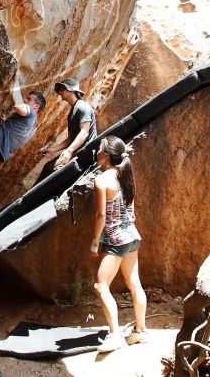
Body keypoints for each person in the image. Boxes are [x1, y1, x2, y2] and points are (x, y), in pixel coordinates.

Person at [91, 136, 148, 352]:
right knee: (134, 282)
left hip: (116, 239)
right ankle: (140, 331)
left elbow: (100, 215)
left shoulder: (102, 180)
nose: (96, 152)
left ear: (105, 155)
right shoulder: (126, 175)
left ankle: (115, 336)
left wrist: (95, 241)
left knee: (100, 286)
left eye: (99, 149)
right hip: (132, 235)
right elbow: (130, 209)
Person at [36, 78, 96, 182]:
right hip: (77, 153)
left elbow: (84, 132)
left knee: (53, 173)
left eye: (62, 89)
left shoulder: (82, 107)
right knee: (48, 168)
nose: (59, 92)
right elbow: (70, 139)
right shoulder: (73, 111)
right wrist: (53, 149)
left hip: (85, 155)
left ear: (72, 90)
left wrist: (69, 151)